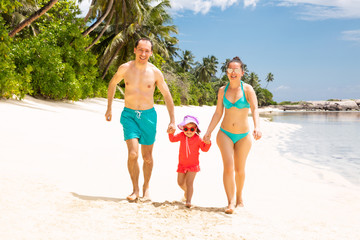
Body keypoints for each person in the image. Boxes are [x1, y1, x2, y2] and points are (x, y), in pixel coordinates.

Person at [105, 37, 175, 201]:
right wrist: (109, 107)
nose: (143, 53)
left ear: (151, 53)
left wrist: (172, 120)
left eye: (147, 51)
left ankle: (146, 187)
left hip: (148, 117)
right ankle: (135, 189)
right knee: (133, 154)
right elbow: (112, 84)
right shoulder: (125, 68)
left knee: (147, 158)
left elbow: (167, 95)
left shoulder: (155, 72)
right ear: (135, 50)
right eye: (140, 50)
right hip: (129, 115)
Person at [203, 56, 262, 214]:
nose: (233, 72)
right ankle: (230, 202)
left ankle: (239, 198)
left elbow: (255, 109)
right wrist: (208, 132)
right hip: (225, 133)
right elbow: (217, 113)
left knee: (240, 170)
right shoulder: (222, 90)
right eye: (230, 69)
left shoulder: (248, 89)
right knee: (228, 167)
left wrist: (257, 127)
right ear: (227, 72)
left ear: (242, 72)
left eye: (236, 70)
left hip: (243, 135)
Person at [168, 115, 211, 208]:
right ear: (183, 128)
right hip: (182, 164)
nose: (188, 131)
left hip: (193, 165)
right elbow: (172, 139)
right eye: (186, 129)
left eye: (192, 129)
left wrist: (208, 143)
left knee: (189, 182)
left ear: (196, 129)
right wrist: (171, 133)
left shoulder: (198, 139)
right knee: (180, 182)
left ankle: (188, 200)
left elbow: (204, 149)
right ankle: (187, 192)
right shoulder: (181, 136)